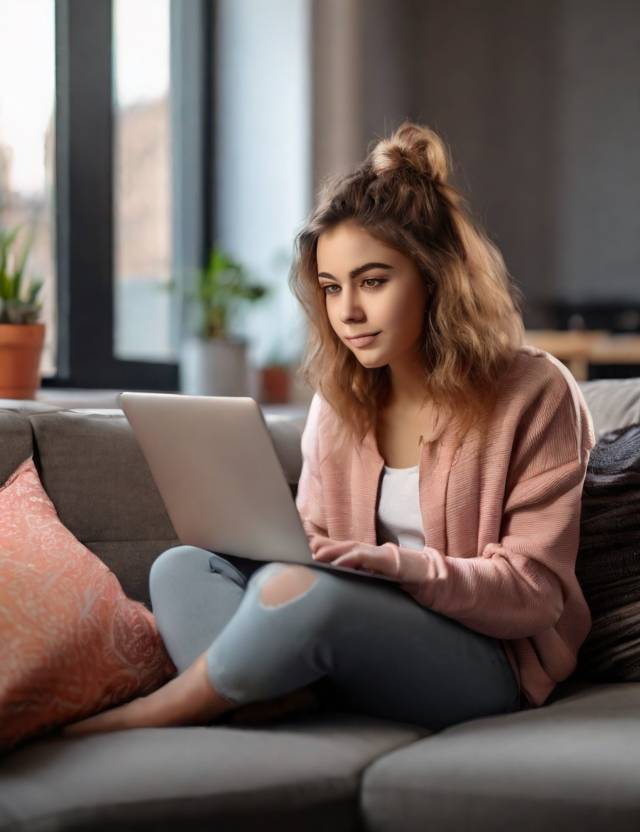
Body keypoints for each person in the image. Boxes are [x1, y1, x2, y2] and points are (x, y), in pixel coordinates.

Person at [62, 121, 596, 736]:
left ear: (435, 275)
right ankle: (267, 698)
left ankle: (171, 709)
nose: (348, 313)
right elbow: (311, 543)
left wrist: (399, 567)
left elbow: (535, 592)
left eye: (373, 281)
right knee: (181, 566)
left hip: (487, 660)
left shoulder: (535, 393)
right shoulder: (339, 404)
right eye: (331, 288)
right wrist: (296, 556)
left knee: (309, 593)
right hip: (350, 633)